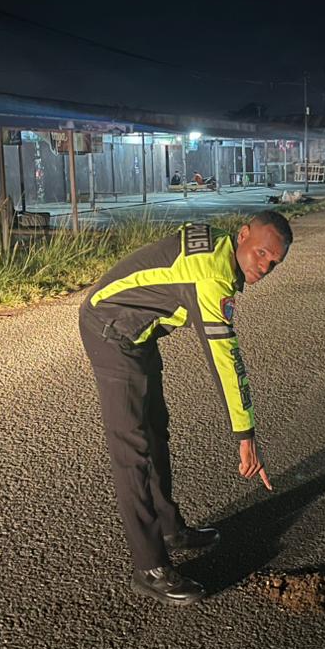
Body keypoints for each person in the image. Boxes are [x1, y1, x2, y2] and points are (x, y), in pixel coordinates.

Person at [79, 211, 293, 606]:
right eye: (261, 252)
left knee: (156, 428)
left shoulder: (222, 247)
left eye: (273, 262)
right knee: (133, 451)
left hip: (137, 332)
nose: (264, 266)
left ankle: (168, 528)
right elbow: (225, 360)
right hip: (110, 328)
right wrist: (244, 435)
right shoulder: (211, 278)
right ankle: (149, 568)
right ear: (243, 235)